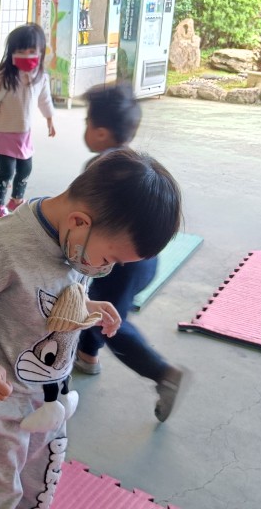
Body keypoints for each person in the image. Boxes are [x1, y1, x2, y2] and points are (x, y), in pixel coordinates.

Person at [0, 147, 183, 508]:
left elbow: (55, 292)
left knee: (39, 479)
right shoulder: (3, 247)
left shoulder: (76, 242)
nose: (107, 269)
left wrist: (87, 306)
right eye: (109, 258)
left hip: (51, 393)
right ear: (79, 222)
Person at [74, 82, 185, 422]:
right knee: (96, 304)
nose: (85, 129)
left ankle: (162, 373)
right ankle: (88, 357)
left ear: (101, 132)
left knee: (107, 319)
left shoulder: (99, 169)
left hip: (120, 264)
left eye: (87, 122)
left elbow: (86, 220)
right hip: (143, 260)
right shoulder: (133, 164)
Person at [0, 24, 55, 220]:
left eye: (31, 51)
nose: (26, 56)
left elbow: (44, 99)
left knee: (25, 168)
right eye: (21, 51)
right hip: (3, 132)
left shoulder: (40, 77)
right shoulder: (4, 77)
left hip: (24, 134)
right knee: (7, 171)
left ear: (40, 51)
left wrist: (50, 119)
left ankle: (16, 200)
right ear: (12, 52)